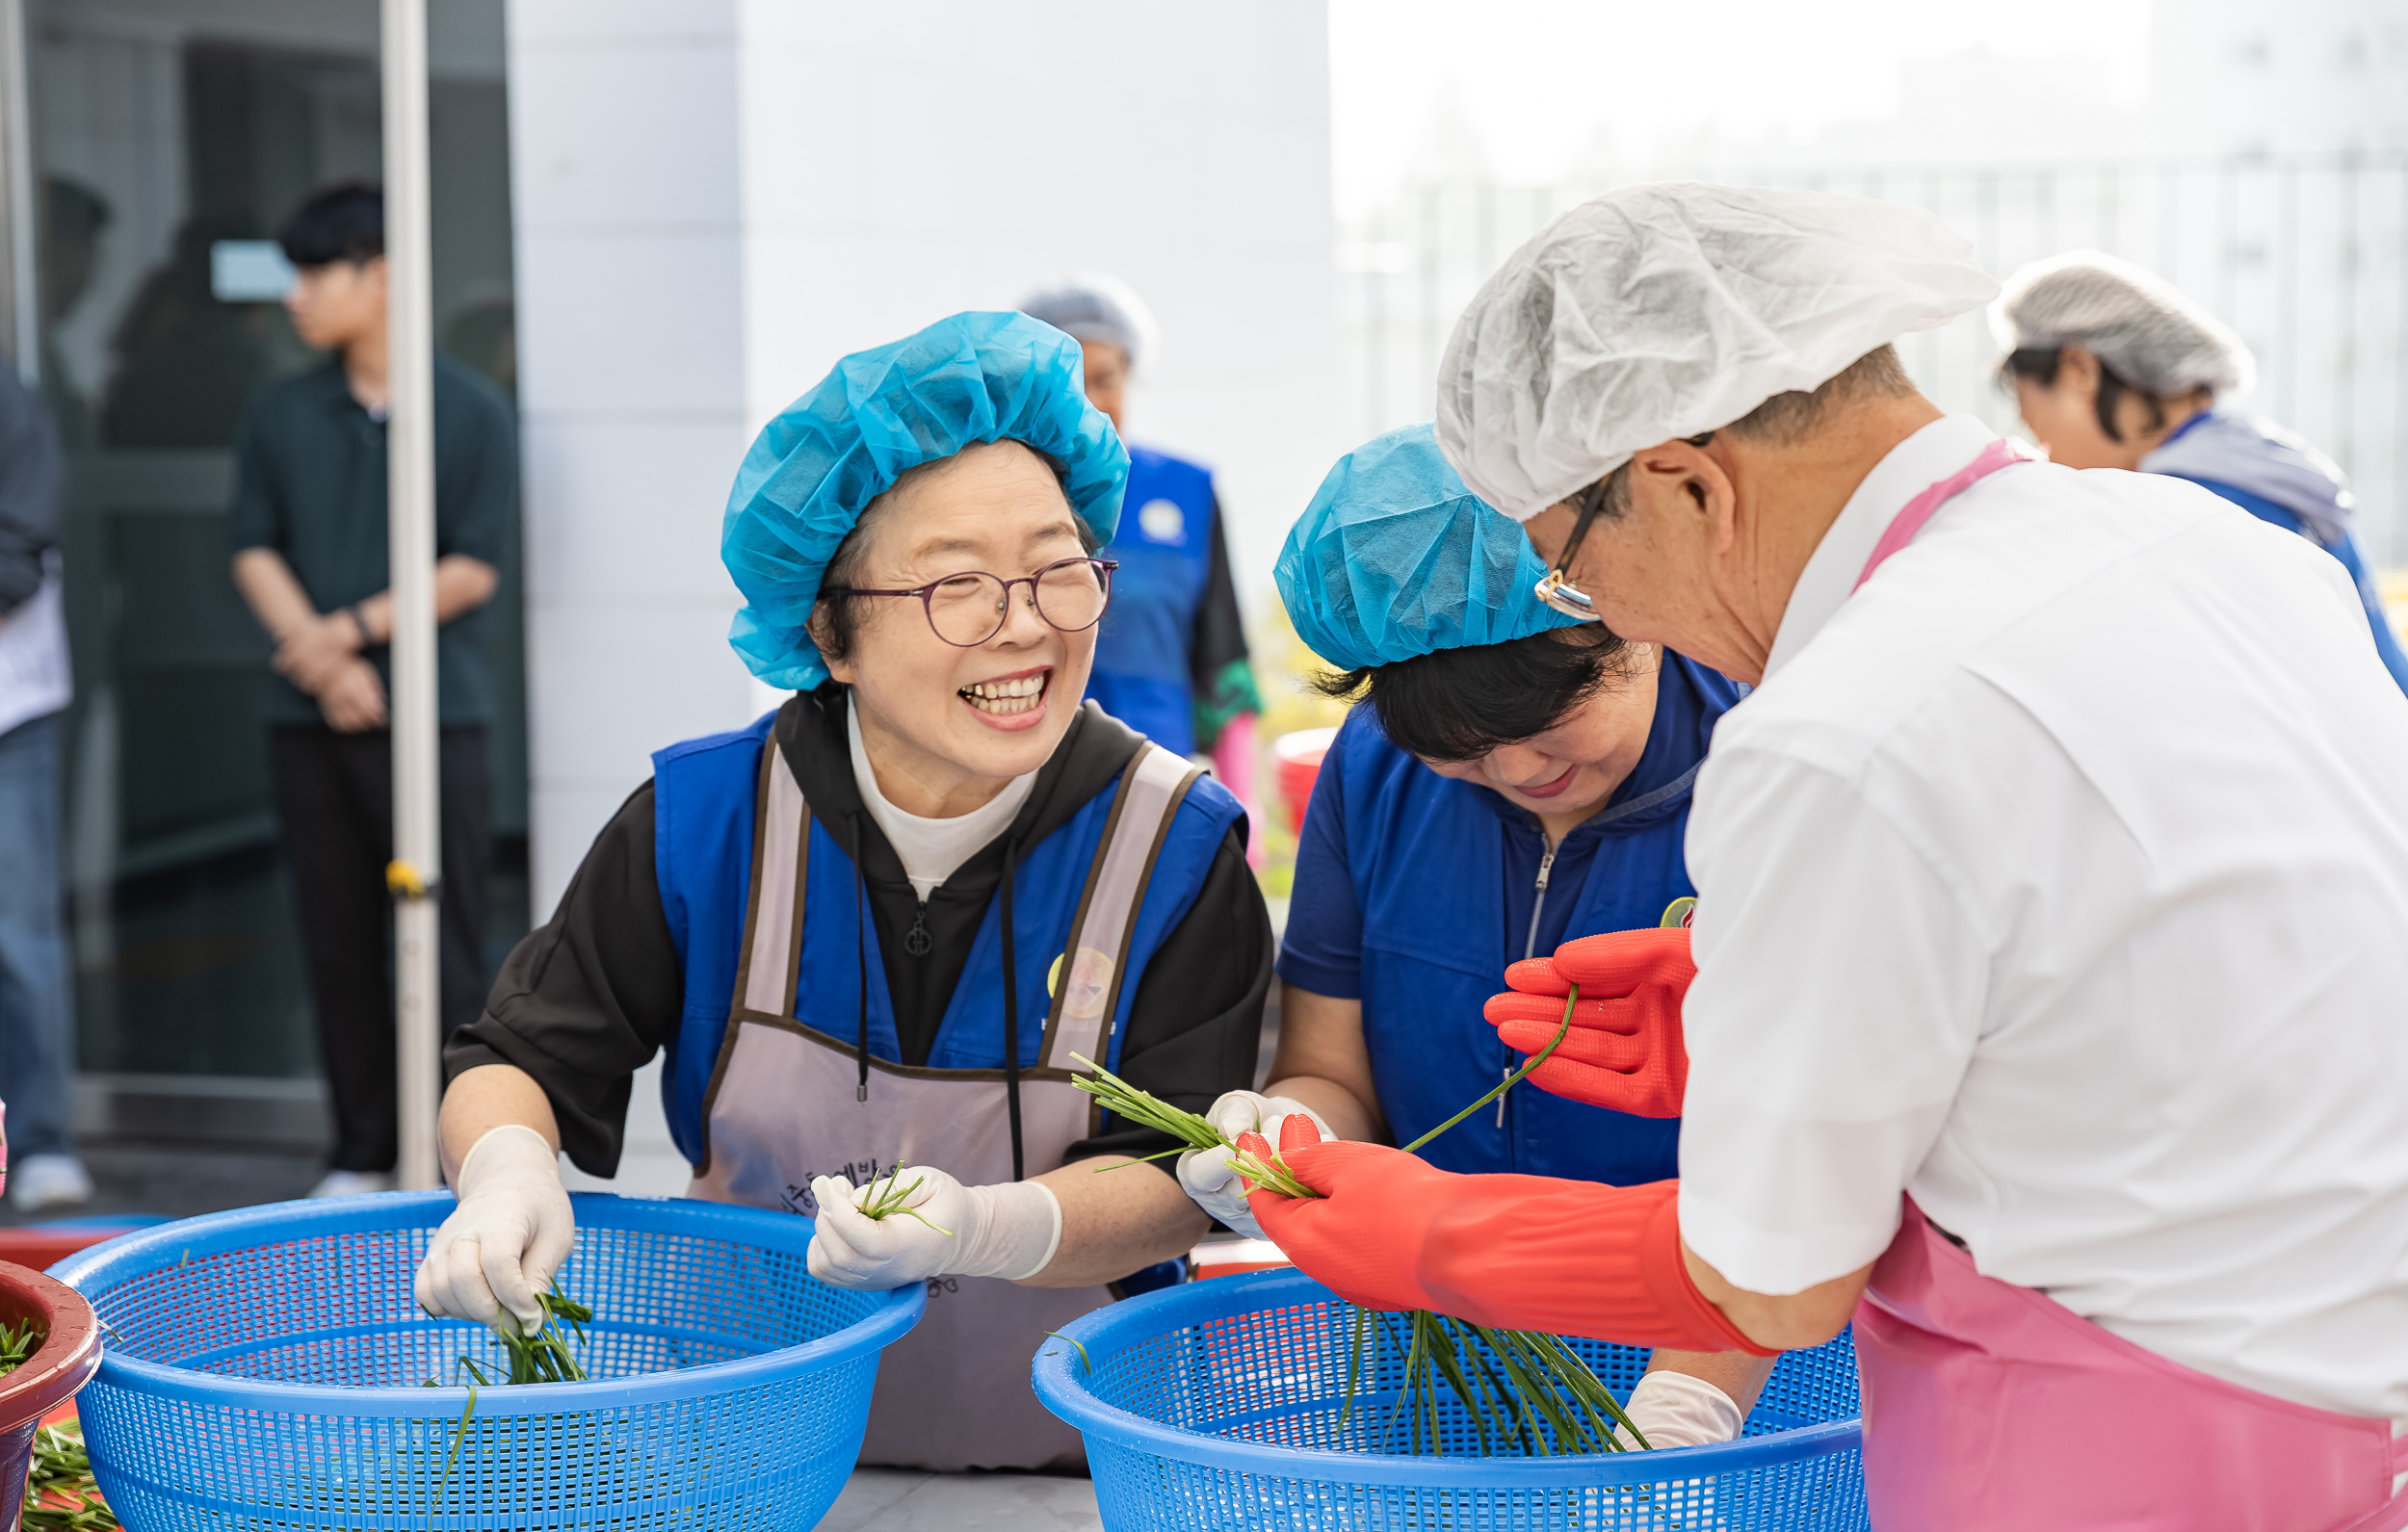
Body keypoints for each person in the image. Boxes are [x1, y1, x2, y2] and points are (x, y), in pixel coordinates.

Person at [1235, 184, 2408, 1529]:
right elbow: (2187, 967)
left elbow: (1773, 1275)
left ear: (1684, 483)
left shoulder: (1839, 728)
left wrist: (1425, 1236)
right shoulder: (2210, 545)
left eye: (1568, 572)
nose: (1600, 609)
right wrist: (1798, 1002)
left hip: (2131, 1446)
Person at [419, 312, 1271, 1473]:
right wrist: (504, 1174)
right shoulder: (705, 819)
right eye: (955, 585)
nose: (1024, 624)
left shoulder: (1174, 842)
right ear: (828, 632)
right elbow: (512, 1058)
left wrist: (986, 1226)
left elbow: (1184, 1177)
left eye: (1057, 568)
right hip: (753, 1464)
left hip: (1077, 1476)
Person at [1174, 423, 1771, 1448]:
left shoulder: (1767, 766)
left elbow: (1806, 1153)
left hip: (1733, 1339)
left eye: (1551, 719)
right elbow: (1331, 1065)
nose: (1516, 772)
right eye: (1460, 751)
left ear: (1626, 616)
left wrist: (1687, 1404)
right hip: (1437, 1354)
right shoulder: (1372, 773)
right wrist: (1291, 1138)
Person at [226, 181, 518, 1198]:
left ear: (382, 274)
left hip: (434, 714)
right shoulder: (281, 410)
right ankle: (357, 1151)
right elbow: (252, 543)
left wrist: (342, 636)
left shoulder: (468, 411)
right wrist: (321, 660)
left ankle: (455, 1153)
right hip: (308, 718)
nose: (297, 296)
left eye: (316, 272)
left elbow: (474, 566)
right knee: (338, 933)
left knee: (445, 939)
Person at [1996, 248, 2408, 692]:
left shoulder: (2188, 509)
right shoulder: (2258, 464)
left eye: (2040, 429)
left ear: (2079, 370)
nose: (2048, 456)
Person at [1017, 277, 1263, 769]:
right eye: (1068, 384)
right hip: (1034, 771)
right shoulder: (1003, 495)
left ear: (1130, 376)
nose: (1088, 402)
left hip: (1159, 770)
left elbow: (1223, 655)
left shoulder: (1187, 491)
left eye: (1105, 379)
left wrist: (1240, 799)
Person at [0, 358, 94, 1212]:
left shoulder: (6, 398)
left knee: (17, 935)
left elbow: (16, 564)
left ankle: (40, 1140)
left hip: (8, 713)